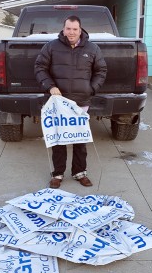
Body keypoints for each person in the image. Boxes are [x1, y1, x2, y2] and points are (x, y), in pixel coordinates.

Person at [34, 15, 107, 189]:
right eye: (68, 28)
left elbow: (101, 70)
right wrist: (50, 86)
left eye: (75, 29)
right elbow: (40, 67)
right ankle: (58, 174)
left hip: (81, 102)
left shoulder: (92, 48)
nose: (71, 32)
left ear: (80, 30)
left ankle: (79, 172)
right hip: (58, 102)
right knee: (59, 140)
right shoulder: (51, 47)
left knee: (79, 140)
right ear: (63, 28)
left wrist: (91, 89)